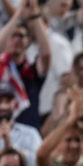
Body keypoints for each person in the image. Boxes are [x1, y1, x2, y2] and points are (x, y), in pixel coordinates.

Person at [0, 0, 51, 129]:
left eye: (21, 36)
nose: (17, 39)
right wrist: (17, 14)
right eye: (13, 35)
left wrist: (34, 14)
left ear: (28, 41)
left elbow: (46, 54)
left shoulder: (33, 71)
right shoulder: (1, 67)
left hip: (29, 132)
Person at [0, 81, 42, 166]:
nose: (3, 106)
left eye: (8, 101)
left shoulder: (30, 133)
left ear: (14, 103)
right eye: (0, 101)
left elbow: (38, 162)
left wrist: (9, 143)